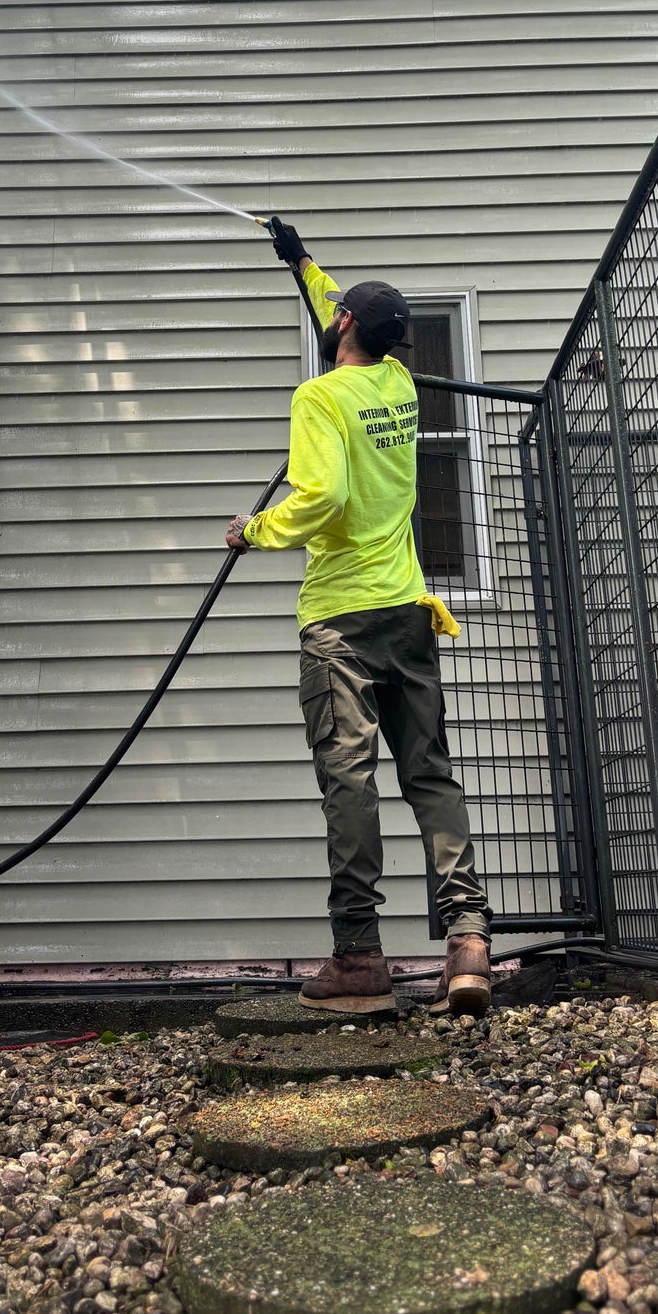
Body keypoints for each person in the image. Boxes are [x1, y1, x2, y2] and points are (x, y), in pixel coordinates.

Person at [225, 221, 493, 1017]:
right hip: (407, 609)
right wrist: (302, 261)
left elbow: (323, 498)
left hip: (340, 619)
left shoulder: (318, 397)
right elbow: (341, 314)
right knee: (429, 774)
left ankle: (357, 955)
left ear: (346, 325)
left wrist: (253, 529)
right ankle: (468, 941)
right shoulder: (398, 382)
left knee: (349, 779)